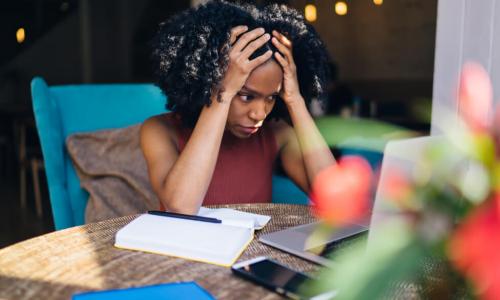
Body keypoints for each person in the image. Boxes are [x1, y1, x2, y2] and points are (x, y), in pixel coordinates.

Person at [141, 1, 336, 214]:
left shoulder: (277, 134)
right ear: (209, 81)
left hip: (255, 248)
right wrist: (222, 95)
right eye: (246, 96)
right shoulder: (159, 130)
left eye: (271, 97)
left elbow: (335, 201)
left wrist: (294, 99)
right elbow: (181, 207)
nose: (259, 114)